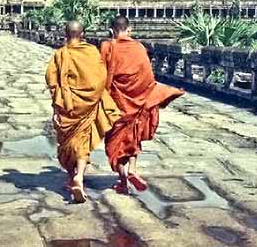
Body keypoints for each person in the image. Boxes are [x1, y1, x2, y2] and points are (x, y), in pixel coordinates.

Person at [101, 16, 184, 194]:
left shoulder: (107, 46)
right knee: (133, 138)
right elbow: (148, 78)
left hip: (117, 104)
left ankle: (123, 180)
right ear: (129, 30)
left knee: (114, 146)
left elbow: (102, 74)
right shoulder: (139, 48)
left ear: (111, 31)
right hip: (138, 102)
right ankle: (132, 170)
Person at [46, 21, 121, 203]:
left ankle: (72, 177)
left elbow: (52, 81)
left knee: (67, 143)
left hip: (68, 106)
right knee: (83, 142)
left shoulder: (60, 54)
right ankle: (79, 176)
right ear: (82, 34)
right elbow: (101, 78)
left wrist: (58, 105)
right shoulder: (91, 52)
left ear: (65, 34)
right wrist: (93, 97)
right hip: (87, 105)